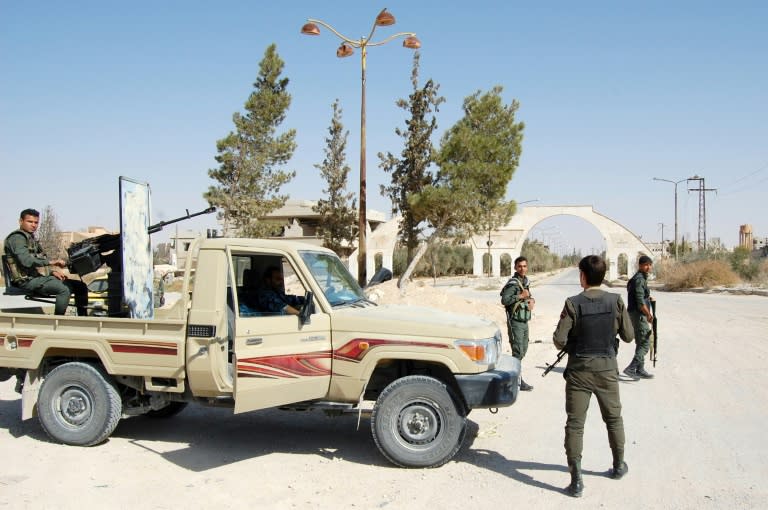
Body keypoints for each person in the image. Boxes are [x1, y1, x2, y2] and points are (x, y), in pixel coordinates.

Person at [552, 255, 634, 498]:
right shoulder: (616, 301)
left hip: (579, 372)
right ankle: (619, 465)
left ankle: (576, 481)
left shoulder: (572, 303)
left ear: (583, 277)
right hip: (607, 370)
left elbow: (559, 341)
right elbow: (629, 336)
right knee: (614, 419)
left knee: (575, 425)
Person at [4, 208, 88, 317]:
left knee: (80, 286)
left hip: (36, 278)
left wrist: (52, 272)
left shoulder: (31, 239)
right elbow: (26, 261)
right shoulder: (17, 238)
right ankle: (57, 320)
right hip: (25, 281)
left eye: (36, 222)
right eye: (30, 222)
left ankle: (84, 319)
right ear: (21, 221)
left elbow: (41, 258)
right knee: (64, 289)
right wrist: (52, 262)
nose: (33, 225)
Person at [500, 256, 535, 391]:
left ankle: (514, 378)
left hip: (524, 321)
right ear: (515, 267)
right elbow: (505, 300)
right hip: (515, 322)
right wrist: (520, 296)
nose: (522, 268)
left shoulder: (524, 281)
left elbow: (528, 296)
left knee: (523, 349)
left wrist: (532, 301)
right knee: (517, 352)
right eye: (520, 266)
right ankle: (515, 381)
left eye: (525, 266)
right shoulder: (513, 283)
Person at [623, 255, 655, 379]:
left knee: (640, 342)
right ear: (640, 265)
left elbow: (640, 297)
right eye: (646, 265)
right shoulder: (639, 279)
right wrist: (648, 314)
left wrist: (648, 298)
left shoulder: (637, 278)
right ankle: (631, 368)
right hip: (639, 315)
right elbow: (640, 302)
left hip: (635, 314)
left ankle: (640, 369)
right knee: (646, 343)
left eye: (650, 265)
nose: (648, 267)